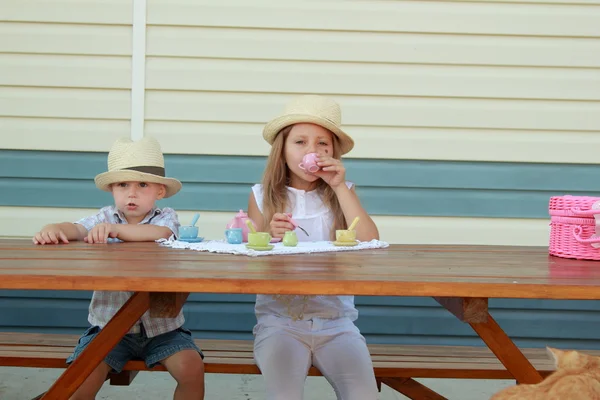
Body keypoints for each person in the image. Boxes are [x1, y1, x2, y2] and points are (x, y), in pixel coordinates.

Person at [33, 137, 205, 400]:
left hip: (163, 330)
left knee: (192, 369)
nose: (131, 193)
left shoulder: (165, 217)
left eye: (142, 184)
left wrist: (117, 231)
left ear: (159, 191)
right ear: (112, 189)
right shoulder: (103, 217)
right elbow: (77, 228)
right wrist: (55, 228)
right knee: (82, 378)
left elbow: (162, 233)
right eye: (123, 185)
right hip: (108, 329)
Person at [247, 95, 380, 400]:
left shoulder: (342, 193)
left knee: (364, 396)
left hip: (337, 324)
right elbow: (250, 263)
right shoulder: (261, 196)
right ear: (282, 150)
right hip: (279, 324)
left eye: (323, 144)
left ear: (333, 152)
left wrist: (338, 186)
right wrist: (268, 236)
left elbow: (371, 242)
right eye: (300, 142)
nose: (312, 151)